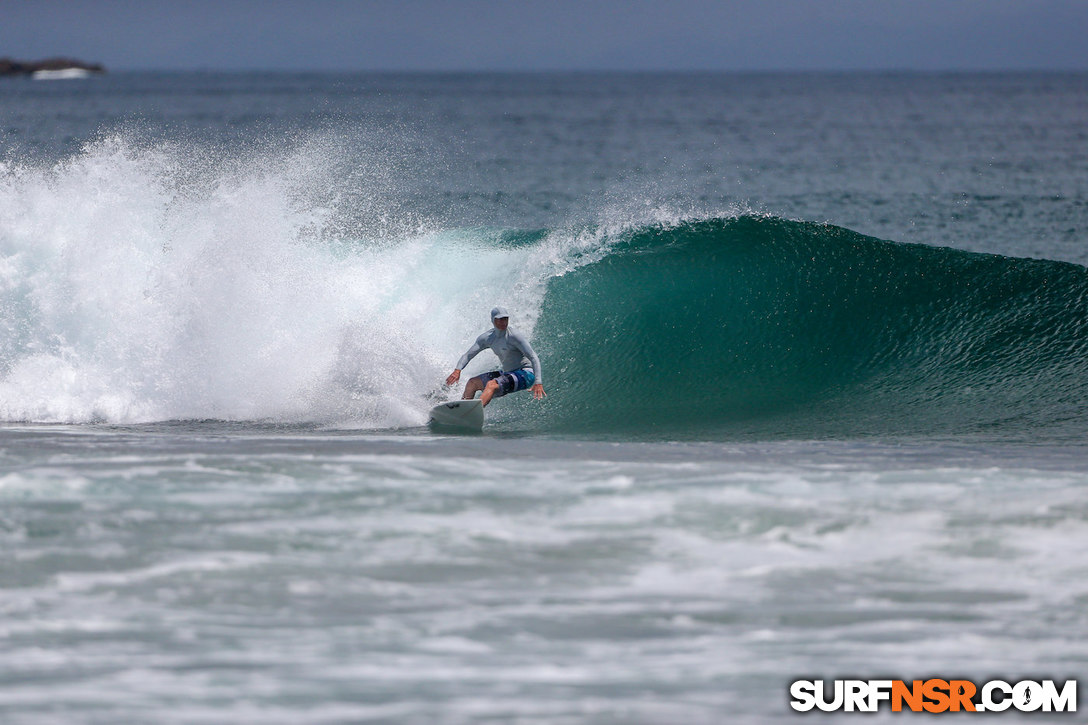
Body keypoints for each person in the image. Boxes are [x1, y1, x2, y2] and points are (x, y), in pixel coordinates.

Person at [445, 306, 546, 407]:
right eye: (500, 319)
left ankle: (472, 411)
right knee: (472, 383)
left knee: (491, 385)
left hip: (526, 374)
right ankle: (461, 410)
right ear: (493, 320)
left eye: (505, 319)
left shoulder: (514, 336)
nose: (503, 322)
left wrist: (538, 382)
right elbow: (468, 355)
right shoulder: (487, 338)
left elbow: (533, 357)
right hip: (508, 373)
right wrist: (457, 370)